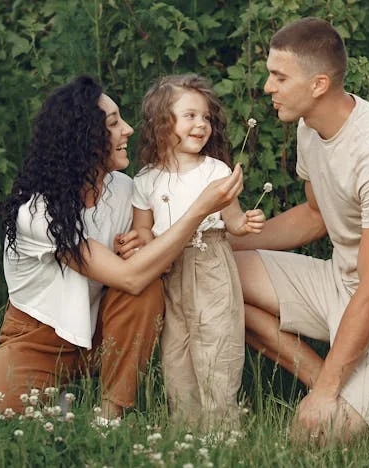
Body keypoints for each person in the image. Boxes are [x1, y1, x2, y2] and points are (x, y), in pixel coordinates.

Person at [0, 75, 244, 425]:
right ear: (84, 138)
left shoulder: (125, 189)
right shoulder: (37, 213)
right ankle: (56, 395)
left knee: (145, 290)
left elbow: (152, 255)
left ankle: (111, 416)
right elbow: (129, 274)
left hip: (104, 329)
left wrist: (147, 239)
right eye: (113, 124)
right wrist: (200, 208)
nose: (128, 129)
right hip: (40, 337)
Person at [229, 18, 369, 443]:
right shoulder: (309, 127)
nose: (266, 87)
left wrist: (327, 398)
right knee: (213, 276)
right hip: (340, 283)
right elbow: (315, 215)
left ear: (318, 84)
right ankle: (328, 379)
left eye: (279, 77)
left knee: (315, 439)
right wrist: (227, 239)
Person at [131, 74, 265, 430]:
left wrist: (246, 222)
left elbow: (232, 222)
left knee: (216, 344)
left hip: (210, 264)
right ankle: (187, 427)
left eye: (205, 117)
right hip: (168, 269)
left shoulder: (215, 172)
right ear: (163, 121)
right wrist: (141, 241)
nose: (201, 124)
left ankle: (221, 428)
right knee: (176, 351)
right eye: (190, 115)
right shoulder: (146, 179)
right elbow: (143, 228)